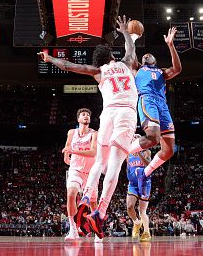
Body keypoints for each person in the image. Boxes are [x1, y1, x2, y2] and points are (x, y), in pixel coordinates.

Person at [38, 15, 137, 239]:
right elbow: (130, 50)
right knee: (115, 163)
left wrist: (50, 59)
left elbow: (70, 66)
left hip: (107, 114)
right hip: (126, 114)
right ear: (112, 56)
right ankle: (100, 211)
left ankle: (86, 196)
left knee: (100, 161)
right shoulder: (125, 64)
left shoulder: (98, 72)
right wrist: (125, 33)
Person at [128, 27, 181, 196]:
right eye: (144, 55)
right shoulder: (137, 68)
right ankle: (123, 149)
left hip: (162, 105)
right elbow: (130, 53)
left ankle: (145, 173)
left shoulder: (161, 72)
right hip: (147, 100)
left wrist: (171, 45)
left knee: (169, 151)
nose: (146, 55)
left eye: (149, 55)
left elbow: (178, 69)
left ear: (155, 60)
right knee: (153, 137)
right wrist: (132, 39)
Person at [62, 107, 98, 240]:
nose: (86, 116)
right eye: (83, 114)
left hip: (91, 172)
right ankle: (73, 230)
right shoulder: (72, 132)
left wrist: (73, 151)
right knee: (71, 194)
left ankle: (97, 231)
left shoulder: (94, 134)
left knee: (93, 204)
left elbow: (93, 152)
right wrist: (66, 156)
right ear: (78, 119)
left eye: (88, 114)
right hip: (76, 170)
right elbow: (67, 147)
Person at [126, 134, 152, 242]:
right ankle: (136, 222)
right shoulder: (128, 153)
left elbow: (149, 165)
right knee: (129, 207)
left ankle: (146, 233)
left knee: (142, 211)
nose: (135, 138)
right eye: (133, 137)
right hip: (132, 184)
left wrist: (140, 155)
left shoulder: (146, 151)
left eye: (137, 137)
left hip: (144, 183)